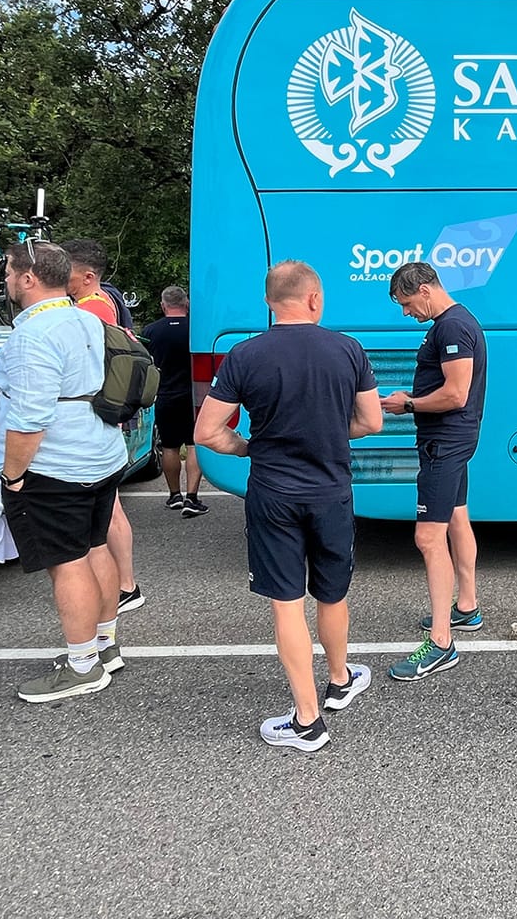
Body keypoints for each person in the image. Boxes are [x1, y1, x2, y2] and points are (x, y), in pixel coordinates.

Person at [194, 261, 382, 753]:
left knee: (287, 604)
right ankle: (340, 680)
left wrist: (249, 447)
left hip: (273, 492)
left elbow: (207, 432)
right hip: (331, 492)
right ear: (315, 299)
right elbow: (372, 422)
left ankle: (306, 720)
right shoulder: (348, 349)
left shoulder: (244, 354)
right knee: (332, 593)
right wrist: (325, 432)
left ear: (269, 303)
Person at [0, 242, 132, 703]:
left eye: (10, 271)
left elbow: (30, 417)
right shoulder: (86, 318)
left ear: (29, 278)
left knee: (67, 563)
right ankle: (104, 646)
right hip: (101, 454)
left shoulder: (33, 336)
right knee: (95, 548)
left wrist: (13, 476)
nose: (7, 279)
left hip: (56, 467)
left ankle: (82, 665)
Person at [380, 261, 488, 682]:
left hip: (446, 442)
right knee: (458, 517)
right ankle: (467, 608)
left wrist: (406, 403)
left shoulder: (452, 327)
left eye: (408, 303)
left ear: (425, 289)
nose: (407, 313)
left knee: (427, 537)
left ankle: (441, 644)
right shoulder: (452, 324)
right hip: (449, 441)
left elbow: (455, 394)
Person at [60, 238, 144, 612]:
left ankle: (125, 586)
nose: (62, 279)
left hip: (97, 417)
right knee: (111, 507)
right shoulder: (108, 301)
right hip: (109, 415)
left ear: (88, 276)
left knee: (108, 509)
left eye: (68, 272)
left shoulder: (92, 309)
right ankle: (125, 584)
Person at [141, 285, 204, 517]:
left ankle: (174, 494)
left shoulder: (150, 331)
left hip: (165, 394)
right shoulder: (196, 329)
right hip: (193, 395)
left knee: (169, 446)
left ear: (163, 305)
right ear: (186, 304)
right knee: (193, 445)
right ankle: (193, 497)